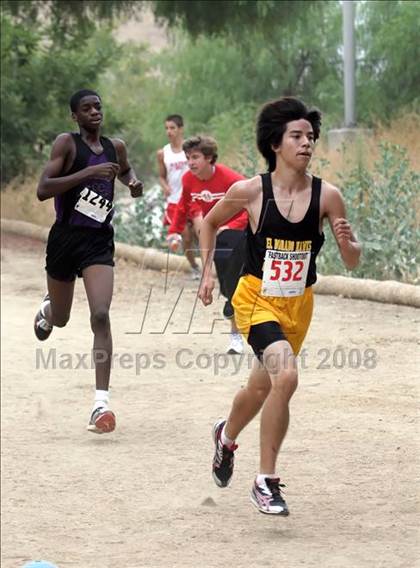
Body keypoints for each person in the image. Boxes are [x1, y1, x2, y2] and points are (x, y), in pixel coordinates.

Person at [198, 97, 361, 515]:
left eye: (311, 136)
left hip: (297, 306)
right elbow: (210, 223)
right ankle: (265, 482)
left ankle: (225, 437)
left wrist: (349, 241)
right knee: (285, 377)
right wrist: (207, 273)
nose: (307, 143)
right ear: (276, 143)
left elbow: (351, 259)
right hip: (255, 300)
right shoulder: (250, 192)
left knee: (260, 388)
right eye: (297, 136)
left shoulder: (328, 197)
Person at [33, 89, 143, 434]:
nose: (95, 112)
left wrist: (133, 182)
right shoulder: (66, 144)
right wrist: (87, 175)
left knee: (100, 315)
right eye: (87, 108)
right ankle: (49, 310)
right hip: (65, 239)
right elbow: (43, 188)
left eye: (98, 106)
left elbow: (123, 170)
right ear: (75, 117)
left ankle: (100, 405)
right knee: (63, 319)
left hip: (98, 241)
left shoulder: (115, 146)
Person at [167, 135, 248, 354]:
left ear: (209, 158)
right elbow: (182, 206)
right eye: (187, 158)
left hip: (238, 231)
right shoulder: (188, 180)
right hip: (213, 233)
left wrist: (229, 226)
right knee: (225, 281)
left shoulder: (232, 180)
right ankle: (230, 300)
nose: (190, 162)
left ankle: (235, 335)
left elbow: (251, 207)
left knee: (233, 281)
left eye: (195, 157)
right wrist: (173, 231)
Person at [157, 114, 200, 279]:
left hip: (194, 199)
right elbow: (161, 176)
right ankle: (195, 267)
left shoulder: (191, 150)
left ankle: (209, 268)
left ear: (181, 129)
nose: (169, 131)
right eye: (166, 128)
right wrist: (165, 186)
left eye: (172, 128)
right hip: (174, 201)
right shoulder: (163, 153)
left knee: (199, 234)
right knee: (186, 237)